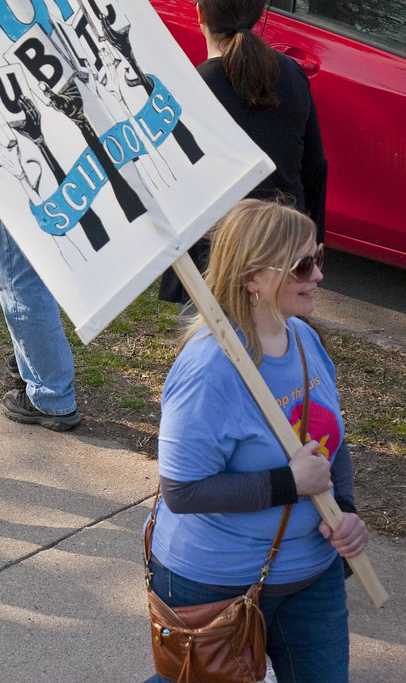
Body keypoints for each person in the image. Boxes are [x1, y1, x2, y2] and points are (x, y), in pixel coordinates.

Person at [144, 199, 368, 683]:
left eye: (319, 257)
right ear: (252, 278)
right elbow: (182, 492)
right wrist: (289, 483)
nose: (318, 276)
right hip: (216, 584)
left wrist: (346, 509)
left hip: (312, 575)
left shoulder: (305, 340)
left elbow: (332, 444)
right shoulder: (208, 370)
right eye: (302, 265)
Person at [159, 0, 327, 305]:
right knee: (275, 347)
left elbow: (174, 184)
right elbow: (315, 168)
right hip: (283, 250)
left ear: (199, 13)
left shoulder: (194, 88)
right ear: (259, 12)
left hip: (218, 260)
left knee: (212, 348)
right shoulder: (291, 73)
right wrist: (311, 249)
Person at [0, 204, 82, 432]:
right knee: (39, 264)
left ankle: (49, 395)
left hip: (13, 175)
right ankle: (32, 359)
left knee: (20, 279)